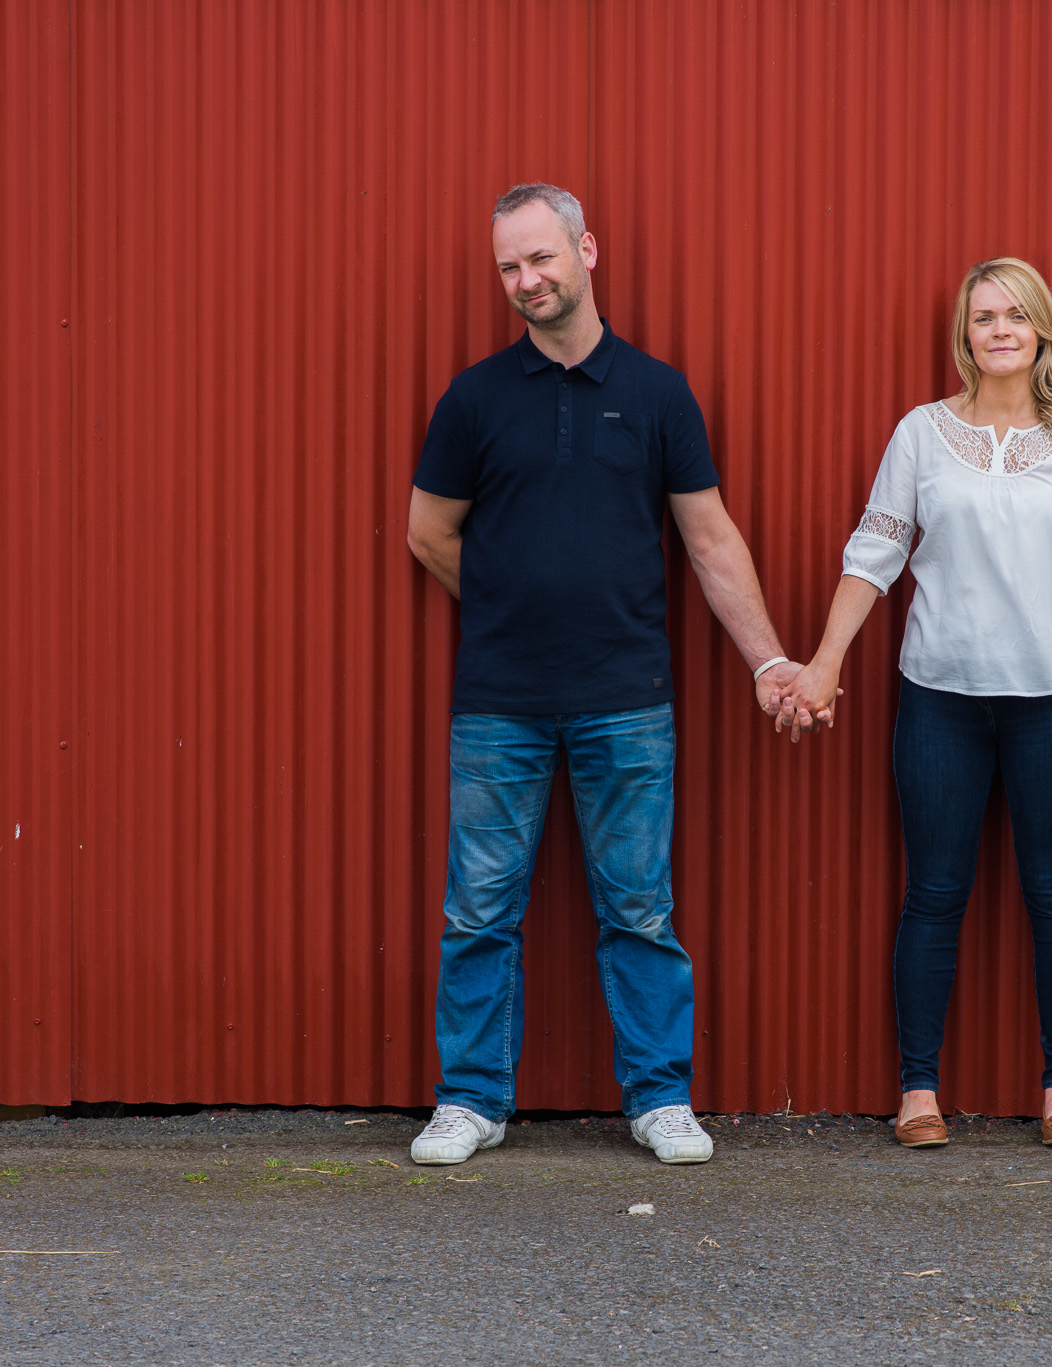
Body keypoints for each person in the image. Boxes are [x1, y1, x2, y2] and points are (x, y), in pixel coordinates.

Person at [406, 183, 804, 1166]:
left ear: (587, 250)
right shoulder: (474, 398)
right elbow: (429, 532)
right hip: (499, 699)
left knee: (638, 905)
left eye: (540, 258)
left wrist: (767, 659)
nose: (526, 280)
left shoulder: (659, 393)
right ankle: (470, 1099)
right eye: (508, 265)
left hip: (626, 698)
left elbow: (709, 539)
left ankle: (660, 1096)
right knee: (478, 907)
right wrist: (510, 602)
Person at [778, 258, 1052, 1149]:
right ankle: (918, 1089)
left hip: (1050, 698)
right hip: (940, 697)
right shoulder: (923, 435)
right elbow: (876, 551)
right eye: (983, 318)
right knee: (933, 893)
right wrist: (823, 662)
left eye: (1016, 315)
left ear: (1043, 327)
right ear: (963, 335)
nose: (1000, 329)